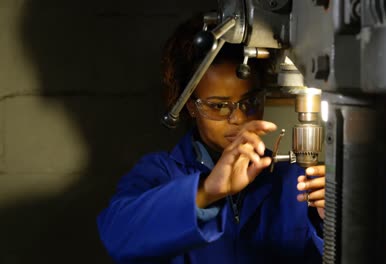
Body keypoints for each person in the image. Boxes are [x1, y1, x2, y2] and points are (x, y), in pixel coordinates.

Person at [97, 14, 326, 264]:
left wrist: (330, 221)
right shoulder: (159, 174)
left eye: (250, 102)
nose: (238, 118)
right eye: (218, 106)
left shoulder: (293, 179)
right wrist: (206, 191)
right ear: (189, 106)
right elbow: (117, 237)